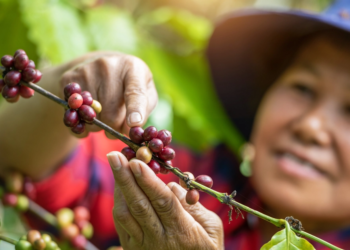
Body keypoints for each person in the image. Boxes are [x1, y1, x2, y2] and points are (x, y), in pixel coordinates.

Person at [1, 0, 350, 249]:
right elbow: (22, 163)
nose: (311, 126)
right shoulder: (190, 182)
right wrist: (73, 82)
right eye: (302, 88)